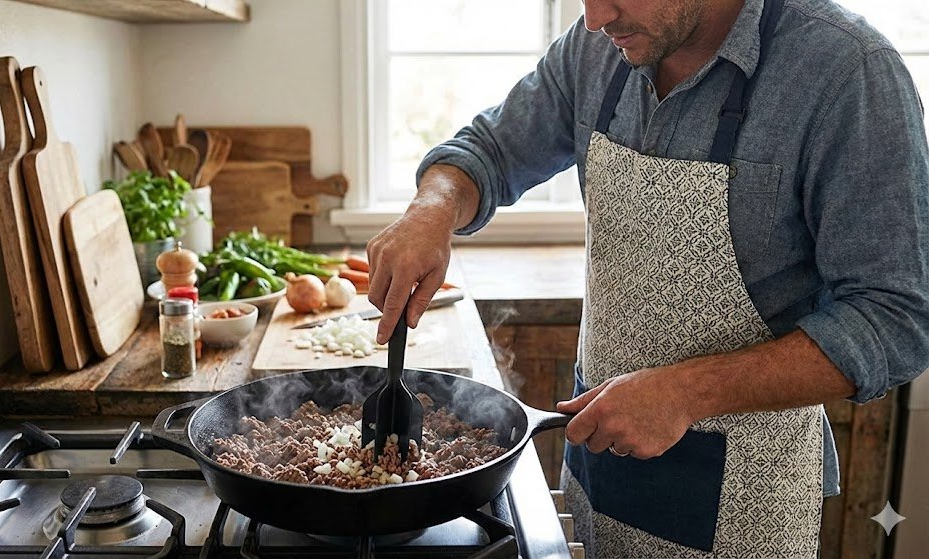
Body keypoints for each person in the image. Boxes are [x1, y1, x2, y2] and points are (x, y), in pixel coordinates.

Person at [364, 0, 929, 556]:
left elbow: (897, 316)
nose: (594, 18)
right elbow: (489, 149)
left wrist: (685, 392)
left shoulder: (846, 71)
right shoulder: (597, 48)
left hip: (742, 501)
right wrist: (432, 208)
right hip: (598, 461)